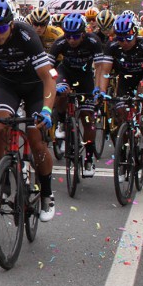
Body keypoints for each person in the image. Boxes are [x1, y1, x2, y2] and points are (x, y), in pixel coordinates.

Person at [0, 0, 58, 223]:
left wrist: (47, 110)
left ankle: (47, 193)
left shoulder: (27, 36)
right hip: (7, 85)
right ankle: (4, 181)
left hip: (35, 87)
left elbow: (48, 79)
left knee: (36, 139)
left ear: (10, 23)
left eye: (0, 28)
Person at [96, 13, 143, 152]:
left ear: (136, 33)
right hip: (125, 78)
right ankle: (125, 149)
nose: (124, 42)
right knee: (121, 112)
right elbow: (105, 72)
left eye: (128, 37)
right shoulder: (112, 45)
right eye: (120, 38)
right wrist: (101, 91)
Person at [49, 13, 105, 177]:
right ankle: (60, 121)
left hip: (85, 77)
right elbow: (49, 67)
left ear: (83, 33)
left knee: (88, 118)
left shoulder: (93, 41)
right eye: (68, 36)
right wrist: (56, 83)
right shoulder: (59, 42)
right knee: (61, 94)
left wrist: (98, 88)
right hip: (64, 73)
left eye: (75, 36)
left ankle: (88, 157)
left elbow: (101, 67)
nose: (71, 40)